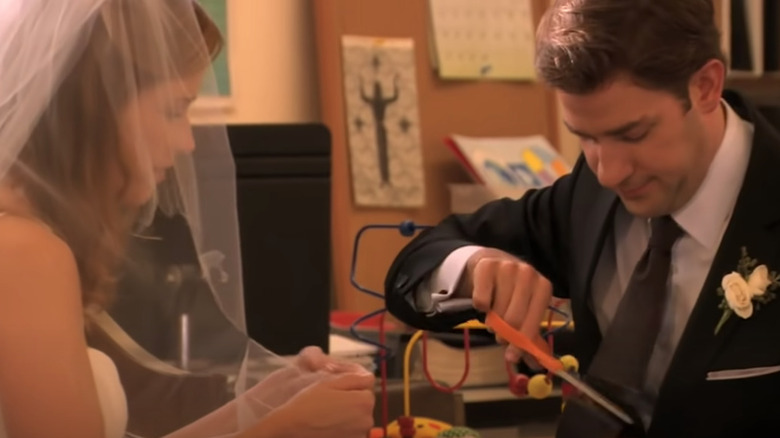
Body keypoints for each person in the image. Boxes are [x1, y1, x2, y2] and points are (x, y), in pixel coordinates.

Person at [385, 0, 780, 436]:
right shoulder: (588, 194)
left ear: (705, 86)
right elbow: (416, 266)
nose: (608, 171)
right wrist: (476, 267)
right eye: (584, 137)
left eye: (633, 134)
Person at [0, 1, 374, 438]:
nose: (187, 142)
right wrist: (287, 428)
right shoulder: (24, 254)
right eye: (174, 110)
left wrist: (269, 401)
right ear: (97, 108)